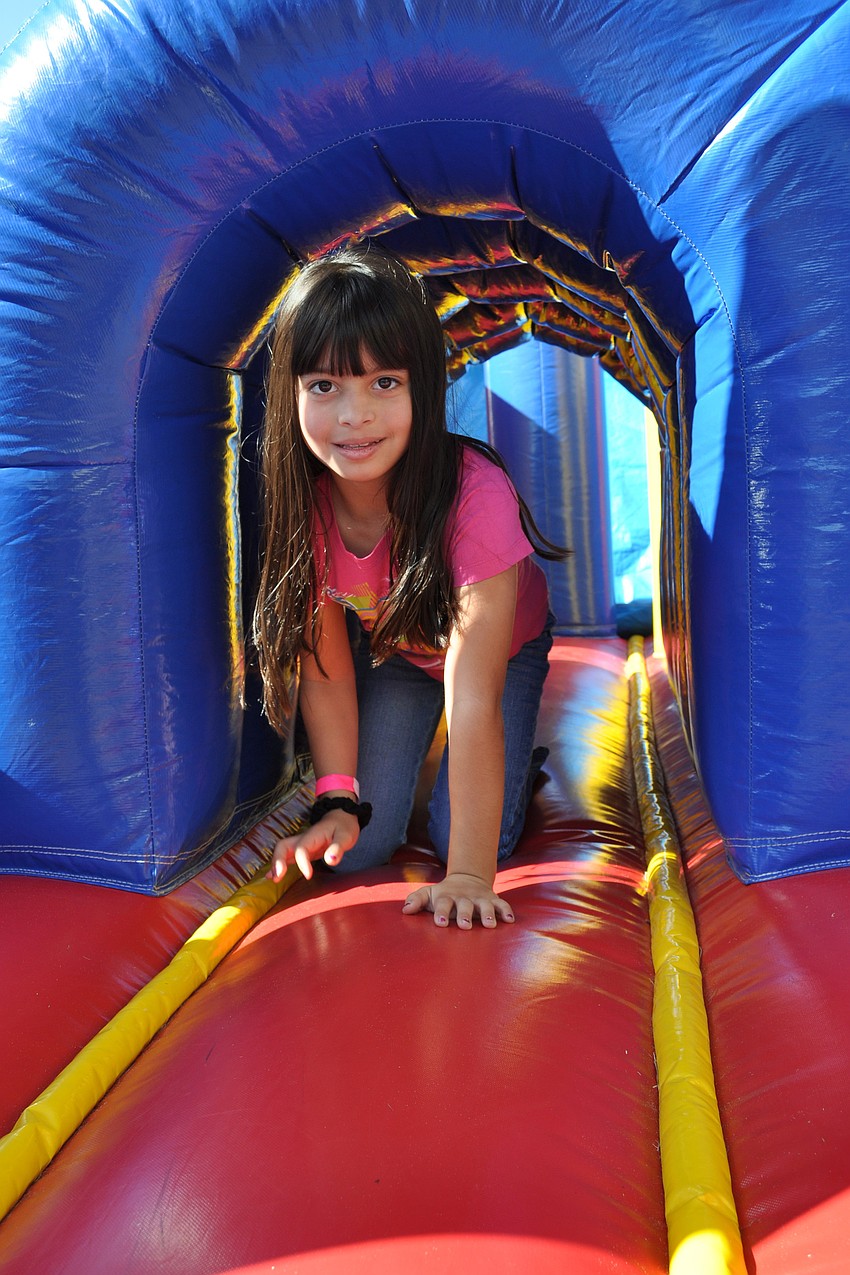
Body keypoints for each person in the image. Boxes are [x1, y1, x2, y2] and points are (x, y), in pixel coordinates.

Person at [253, 245, 563, 929]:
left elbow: (472, 696)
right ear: (291, 394)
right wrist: (337, 798)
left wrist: (470, 876)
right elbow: (327, 668)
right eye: (324, 386)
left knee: (464, 840)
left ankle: (519, 760)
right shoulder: (306, 504)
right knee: (358, 849)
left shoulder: (474, 497)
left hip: (501, 655)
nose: (354, 415)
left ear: (424, 385)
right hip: (401, 651)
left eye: (384, 382)